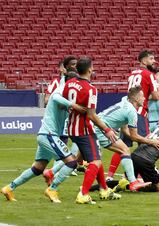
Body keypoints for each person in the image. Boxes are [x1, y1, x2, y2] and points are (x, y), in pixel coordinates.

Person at [1, 72, 84, 203]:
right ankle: (52, 189)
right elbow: (55, 97)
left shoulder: (67, 94)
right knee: (72, 162)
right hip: (49, 135)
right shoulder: (60, 90)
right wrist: (73, 105)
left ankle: (9, 188)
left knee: (38, 168)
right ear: (69, 82)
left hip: (45, 135)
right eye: (75, 83)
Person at [62, 57, 120, 204]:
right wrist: (107, 129)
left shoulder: (69, 83)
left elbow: (63, 103)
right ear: (89, 69)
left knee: (96, 159)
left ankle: (104, 189)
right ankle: (83, 193)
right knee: (95, 161)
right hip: (84, 130)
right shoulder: (91, 89)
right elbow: (91, 115)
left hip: (71, 129)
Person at [95, 86, 159, 191]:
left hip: (95, 126)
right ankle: (133, 182)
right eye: (142, 96)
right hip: (100, 129)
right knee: (125, 150)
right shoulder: (132, 112)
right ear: (136, 99)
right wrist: (151, 141)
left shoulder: (125, 102)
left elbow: (125, 130)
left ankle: (97, 187)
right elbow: (134, 136)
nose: (144, 99)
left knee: (75, 161)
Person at [107, 50, 159, 178]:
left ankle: (110, 176)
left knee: (123, 145)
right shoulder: (149, 75)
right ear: (143, 60)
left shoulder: (132, 74)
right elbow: (155, 96)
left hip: (127, 110)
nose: (154, 61)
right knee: (143, 144)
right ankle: (139, 177)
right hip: (139, 112)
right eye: (151, 59)